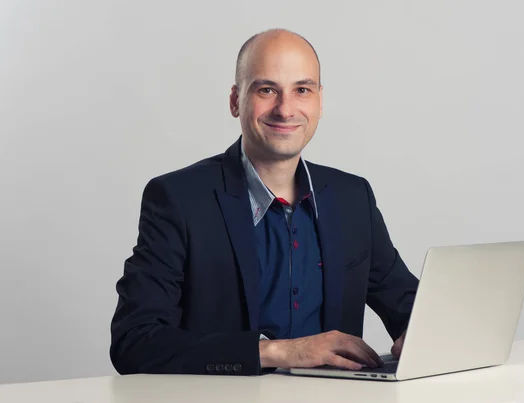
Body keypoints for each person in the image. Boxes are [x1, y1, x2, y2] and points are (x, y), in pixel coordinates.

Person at [110, 28, 419, 376]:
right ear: (235, 101)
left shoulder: (352, 197)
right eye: (267, 89)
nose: (285, 110)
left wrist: (422, 335)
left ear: (319, 102)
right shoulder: (178, 199)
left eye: (302, 90)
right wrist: (278, 352)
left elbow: (411, 307)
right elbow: (134, 343)